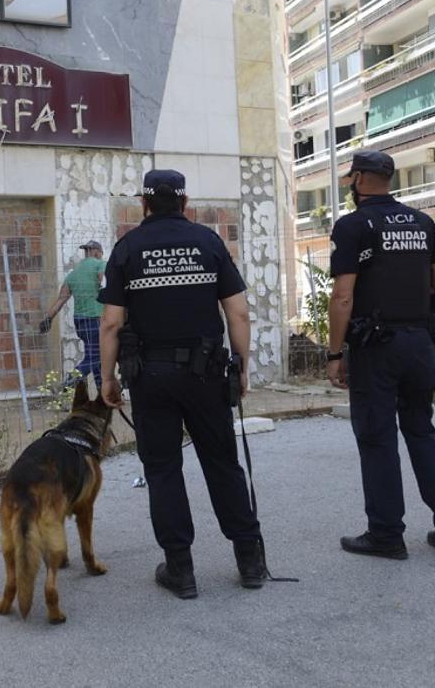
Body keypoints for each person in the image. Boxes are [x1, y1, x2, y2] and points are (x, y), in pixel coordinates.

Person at [98, 169, 265, 598]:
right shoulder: (209, 243)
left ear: (144, 204)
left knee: (163, 469)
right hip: (206, 374)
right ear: (185, 202)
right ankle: (249, 560)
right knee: (222, 463)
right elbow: (239, 314)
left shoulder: (127, 248)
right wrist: (242, 367)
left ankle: (181, 570)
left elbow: (112, 323)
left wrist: (107, 377)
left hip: (150, 378)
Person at [326, 149, 435, 559]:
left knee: (377, 439)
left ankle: (386, 534)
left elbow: (342, 296)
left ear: (361, 179)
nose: (351, 185)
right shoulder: (423, 223)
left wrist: (335, 354)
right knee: (422, 431)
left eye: (352, 178)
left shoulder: (353, 226)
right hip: (419, 344)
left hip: (377, 348)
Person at [40, 240, 105, 386]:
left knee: (93, 357)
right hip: (96, 319)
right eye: (101, 253)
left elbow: (61, 299)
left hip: (80, 322)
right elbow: (105, 287)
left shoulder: (73, 274)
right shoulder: (100, 265)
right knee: (96, 358)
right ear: (96, 251)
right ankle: (68, 384)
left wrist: (48, 318)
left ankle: (103, 395)